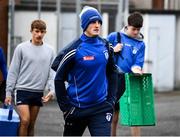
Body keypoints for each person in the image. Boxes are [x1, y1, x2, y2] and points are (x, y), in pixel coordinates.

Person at [51, 6, 117, 136]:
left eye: (99, 22)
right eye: (93, 22)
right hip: (77, 109)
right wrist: (66, 108)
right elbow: (58, 79)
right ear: (84, 24)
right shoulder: (74, 49)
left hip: (101, 108)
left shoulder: (106, 46)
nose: (97, 25)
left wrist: (111, 100)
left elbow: (112, 73)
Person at [5, 19, 55, 136]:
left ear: (45, 32)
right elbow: (13, 71)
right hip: (22, 90)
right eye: (36, 31)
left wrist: (52, 90)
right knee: (25, 120)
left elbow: (52, 73)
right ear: (31, 31)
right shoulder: (21, 48)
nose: (39, 34)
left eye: (42, 32)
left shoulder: (50, 51)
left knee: (31, 124)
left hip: (37, 92)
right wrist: (8, 92)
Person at [107, 12, 145, 136]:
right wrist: (112, 49)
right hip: (113, 79)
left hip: (131, 80)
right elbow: (100, 51)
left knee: (135, 115)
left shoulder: (141, 44)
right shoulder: (114, 36)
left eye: (138, 30)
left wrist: (137, 69)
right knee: (112, 115)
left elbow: (138, 62)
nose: (136, 32)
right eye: (133, 29)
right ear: (127, 26)